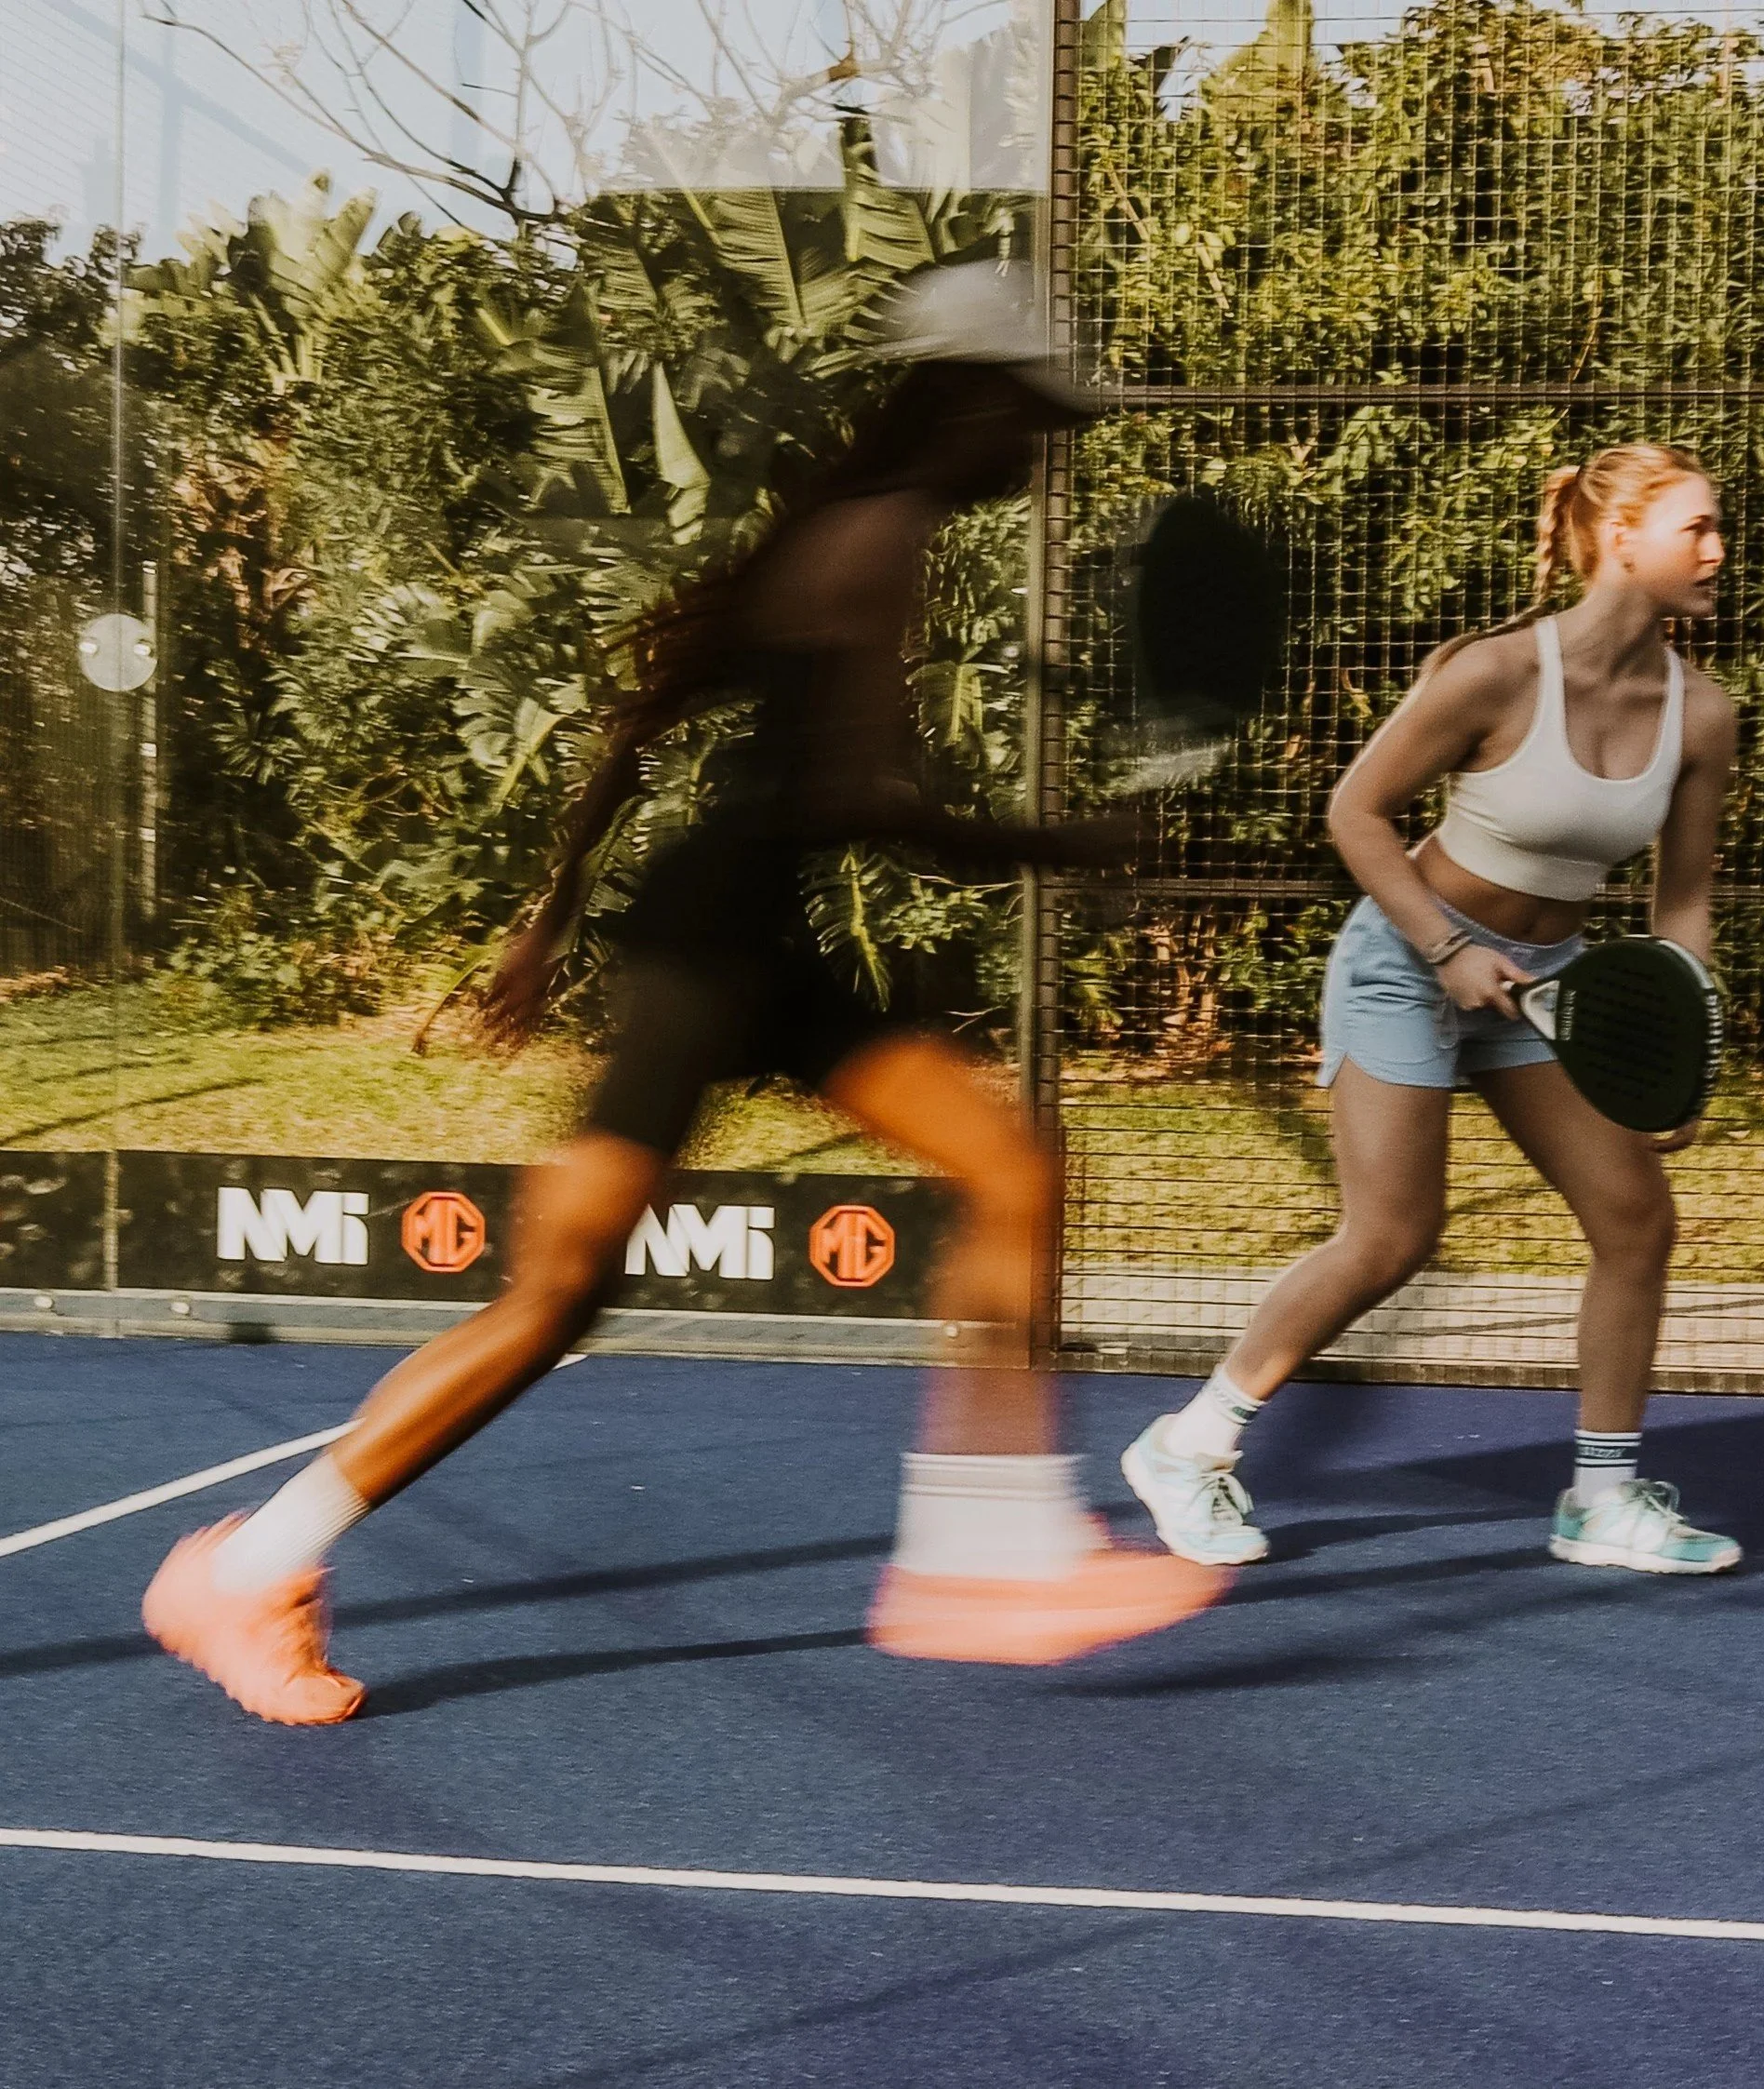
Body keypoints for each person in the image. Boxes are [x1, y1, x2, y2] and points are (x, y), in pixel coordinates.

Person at [141, 262, 1226, 1725]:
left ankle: (984, 1556)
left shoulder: (841, 532)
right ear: (962, 398)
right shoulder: (876, 538)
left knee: (1011, 1168)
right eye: (1026, 411)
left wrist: (552, 912)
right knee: (551, 1304)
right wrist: (1058, 841)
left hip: (745, 940)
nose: (1040, 443)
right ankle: (252, 1567)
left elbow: (646, 720)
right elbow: (859, 800)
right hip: (715, 953)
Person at [1120, 443, 1743, 1576]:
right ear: (1621, 540)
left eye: (1716, 528)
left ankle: (1599, 1501)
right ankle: (1185, 1444)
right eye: (1696, 527)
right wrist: (1445, 945)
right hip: (1407, 961)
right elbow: (1356, 812)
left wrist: (1681, 1049)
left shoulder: (1702, 714)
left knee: (1634, 1217)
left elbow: (1682, 901)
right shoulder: (1498, 673)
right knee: (1393, 1235)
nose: (1718, 549)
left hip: (1545, 993)